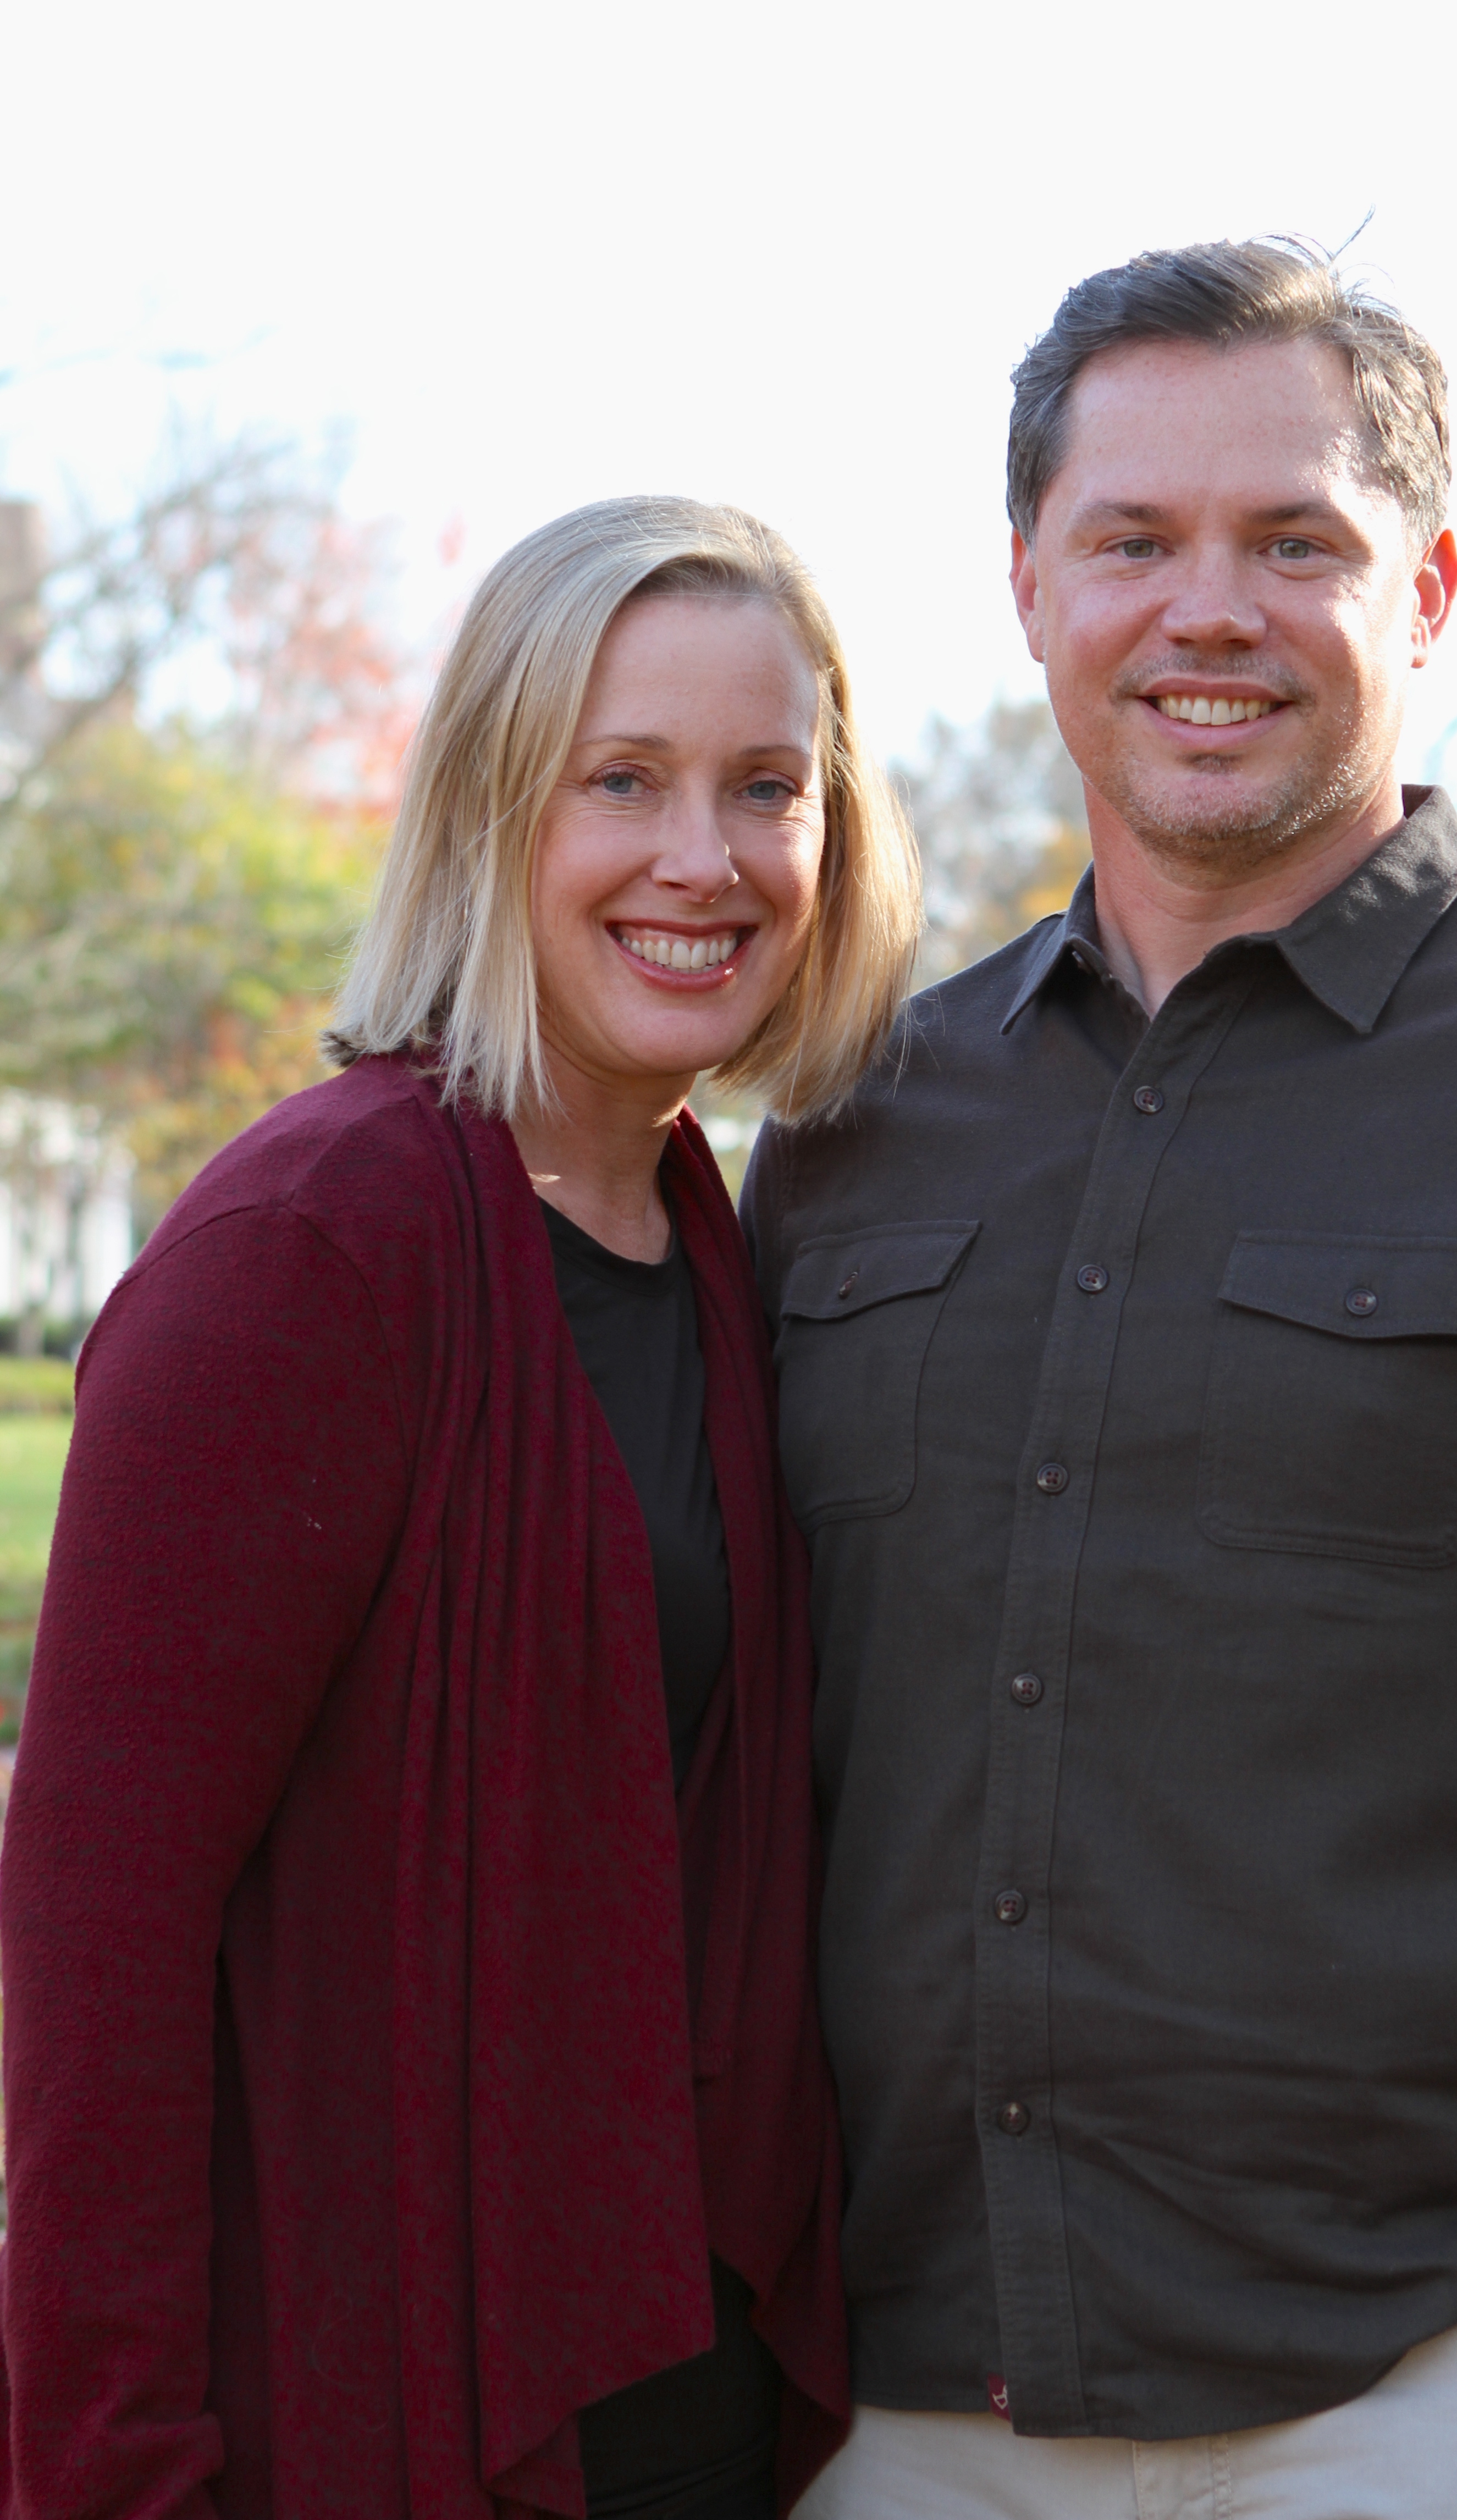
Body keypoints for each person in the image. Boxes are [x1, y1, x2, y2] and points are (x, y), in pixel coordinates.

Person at [743, 240, 1457, 2519]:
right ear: (1029, 590)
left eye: (1297, 542)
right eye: (1134, 542)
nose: (1210, 612)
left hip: (1435, 2408)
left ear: (1430, 588)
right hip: (896, 2412)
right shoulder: (861, 1110)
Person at [0, 497, 919, 2520]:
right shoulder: (315, 1248)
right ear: (494, 808)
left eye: (767, 786)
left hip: (683, 2408)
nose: (705, 858)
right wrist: (114, 2471)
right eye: (624, 781)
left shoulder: (721, 1243)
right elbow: (97, 1943)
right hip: (362, 2407)